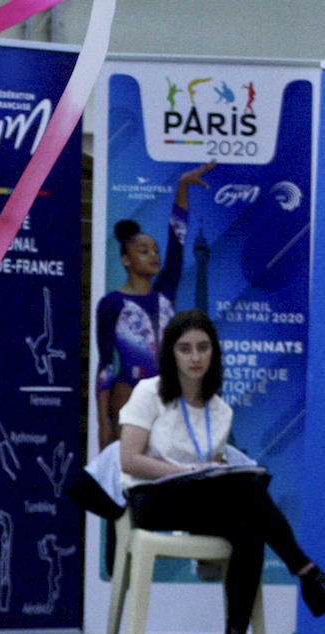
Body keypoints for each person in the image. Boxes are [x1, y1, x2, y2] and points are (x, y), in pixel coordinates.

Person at [117, 309, 325, 634]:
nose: (196, 357)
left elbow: (212, 464)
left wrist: (210, 471)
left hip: (200, 499)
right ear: (171, 354)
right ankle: (311, 577)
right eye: (185, 349)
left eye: (203, 348)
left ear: (214, 352)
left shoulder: (220, 410)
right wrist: (185, 472)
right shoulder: (148, 393)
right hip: (153, 499)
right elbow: (129, 460)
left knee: (249, 530)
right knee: (247, 490)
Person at [94, 161, 217, 450]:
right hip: (129, 391)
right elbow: (105, 365)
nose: (153, 255)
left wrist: (183, 186)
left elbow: (177, 239)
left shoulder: (165, 292)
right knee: (130, 466)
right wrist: (103, 423)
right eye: (143, 250)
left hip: (167, 390)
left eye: (155, 250)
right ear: (126, 259)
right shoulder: (112, 303)